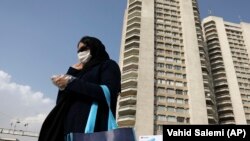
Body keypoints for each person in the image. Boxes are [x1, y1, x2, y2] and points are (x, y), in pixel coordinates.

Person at [38, 36, 121, 141]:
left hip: (93, 129)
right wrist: (70, 74)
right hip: (68, 129)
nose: (80, 53)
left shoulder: (108, 65)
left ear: (95, 48)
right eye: (78, 50)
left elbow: (108, 92)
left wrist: (71, 82)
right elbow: (61, 102)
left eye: (84, 49)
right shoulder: (79, 72)